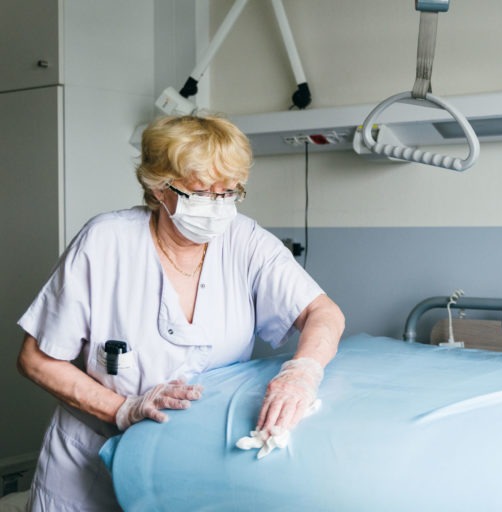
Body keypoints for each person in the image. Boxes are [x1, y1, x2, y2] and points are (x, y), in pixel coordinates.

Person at [16, 114, 345, 511]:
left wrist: (301, 373)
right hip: (89, 467)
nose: (218, 206)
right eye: (203, 192)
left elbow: (322, 312)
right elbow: (35, 359)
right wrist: (122, 408)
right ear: (158, 187)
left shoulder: (245, 240)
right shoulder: (105, 242)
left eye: (229, 192)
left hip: (191, 463)